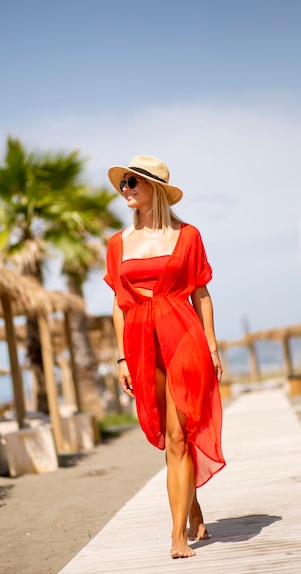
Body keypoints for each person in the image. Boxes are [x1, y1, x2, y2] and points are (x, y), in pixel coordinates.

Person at [104, 155, 225, 559]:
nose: (125, 190)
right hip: (140, 345)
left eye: (132, 183)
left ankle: (177, 537)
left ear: (153, 188)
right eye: (122, 183)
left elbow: (201, 293)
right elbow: (119, 305)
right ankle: (194, 510)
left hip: (183, 338)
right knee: (166, 435)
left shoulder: (188, 236)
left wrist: (211, 346)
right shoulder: (117, 243)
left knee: (178, 435)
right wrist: (121, 357)